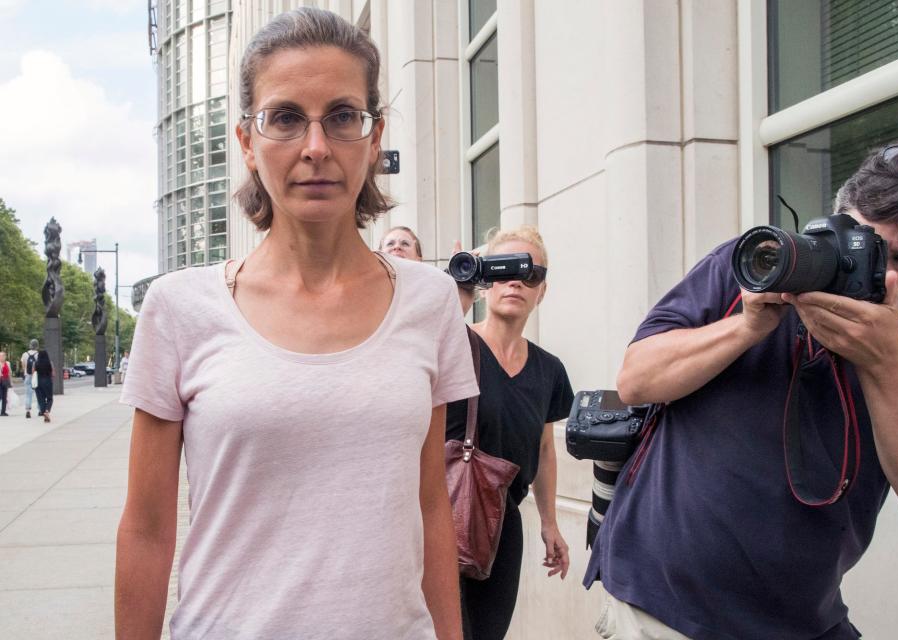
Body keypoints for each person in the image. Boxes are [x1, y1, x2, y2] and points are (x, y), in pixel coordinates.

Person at [115, 8, 477, 640]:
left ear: (373, 135)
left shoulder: (431, 300)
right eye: (285, 117)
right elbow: (147, 528)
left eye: (342, 116)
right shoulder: (179, 309)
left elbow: (429, 508)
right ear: (248, 142)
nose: (316, 147)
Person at [585, 138, 898, 640]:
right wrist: (744, 328)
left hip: (801, 619)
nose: (874, 272)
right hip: (658, 603)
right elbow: (635, 381)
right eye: (860, 242)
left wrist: (884, 358)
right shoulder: (759, 263)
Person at [446, 225, 574, 640]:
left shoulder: (549, 369)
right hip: (442, 518)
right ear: (485, 283)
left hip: (504, 526)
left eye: (530, 273)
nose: (516, 281)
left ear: (543, 291)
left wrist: (550, 523)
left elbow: (544, 447)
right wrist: (457, 293)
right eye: (502, 270)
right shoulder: (453, 344)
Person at [33, 350, 54, 423]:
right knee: (50, 398)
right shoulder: (49, 363)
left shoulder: (36, 363)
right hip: (48, 381)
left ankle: (43, 411)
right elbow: (53, 374)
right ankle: (47, 411)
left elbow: (33, 373)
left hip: (38, 382)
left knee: (41, 399)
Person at [20, 339, 38, 419]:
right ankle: (40, 409)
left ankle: (28, 410)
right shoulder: (38, 354)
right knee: (38, 393)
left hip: (27, 375)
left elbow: (23, 365)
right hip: (36, 376)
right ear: (37, 345)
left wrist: (25, 372)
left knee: (28, 394)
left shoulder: (25, 354)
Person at [0, 352, 11, 416]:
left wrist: (11, 382)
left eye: (3, 356)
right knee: (0, 396)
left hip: (5, 381)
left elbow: (10, 373)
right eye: (1, 356)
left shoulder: (7, 363)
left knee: (4, 397)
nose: (2, 357)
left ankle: (3, 411)